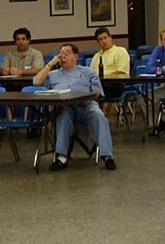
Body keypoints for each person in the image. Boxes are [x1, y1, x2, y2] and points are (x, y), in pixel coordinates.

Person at [33, 43, 116, 171]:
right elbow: (36, 81)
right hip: (65, 107)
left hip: (86, 105)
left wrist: (87, 98)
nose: (63, 56)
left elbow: (97, 91)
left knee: (99, 116)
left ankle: (107, 157)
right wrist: (51, 63)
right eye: (61, 53)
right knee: (62, 118)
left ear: (76, 56)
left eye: (67, 53)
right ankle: (61, 158)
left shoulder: (87, 71)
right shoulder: (53, 74)